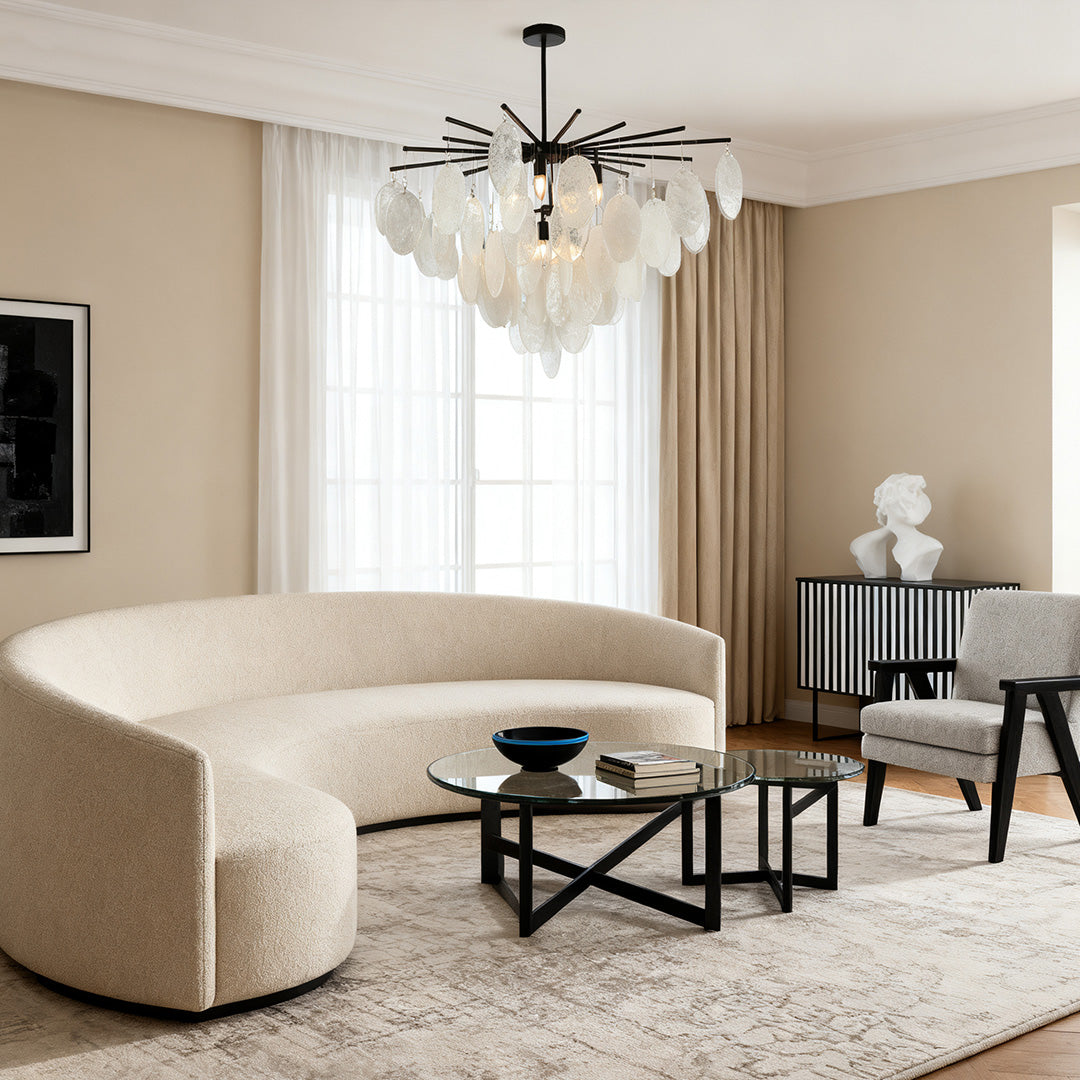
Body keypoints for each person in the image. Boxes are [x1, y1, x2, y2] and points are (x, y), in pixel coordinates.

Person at [850, 473, 943, 581]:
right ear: (887, 503)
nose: (914, 499)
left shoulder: (931, 546)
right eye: (909, 493)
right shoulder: (861, 545)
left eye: (916, 494)